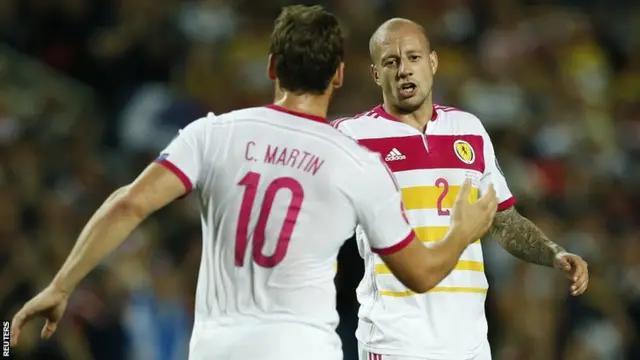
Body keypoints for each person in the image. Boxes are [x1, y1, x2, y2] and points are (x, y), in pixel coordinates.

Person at [10, 7, 500, 360]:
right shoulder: (357, 162)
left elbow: (127, 205)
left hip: (215, 348)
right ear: (339, 75)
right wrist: (462, 228)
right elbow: (420, 273)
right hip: (302, 347)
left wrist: (59, 284)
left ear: (271, 67)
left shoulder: (210, 133)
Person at [331, 18, 590, 360]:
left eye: (413, 57)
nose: (404, 70)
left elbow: (504, 220)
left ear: (433, 62)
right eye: (391, 62)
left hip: (470, 343)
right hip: (396, 342)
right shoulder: (352, 136)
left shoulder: (468, 128)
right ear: (376, 74)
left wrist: (553, 253)